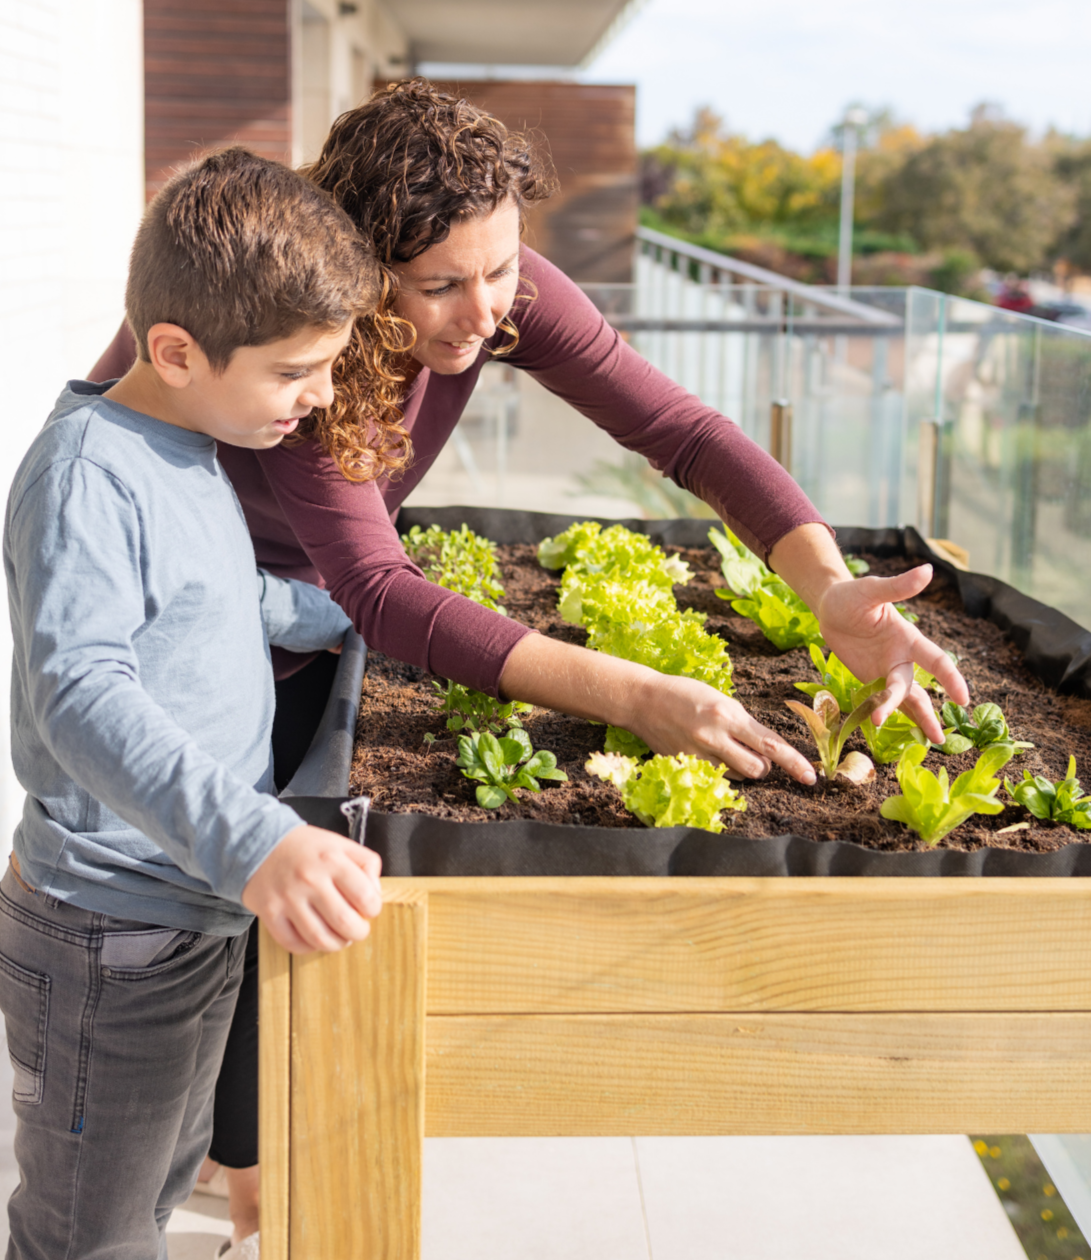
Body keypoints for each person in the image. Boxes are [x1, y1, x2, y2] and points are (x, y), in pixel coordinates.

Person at [92, 80, 969, 1230]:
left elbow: (682, 431)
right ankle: (221, 1162)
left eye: (503, 268)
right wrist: (635, 694)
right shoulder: (312, 335)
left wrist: (828, 588)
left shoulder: (495, 293)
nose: (483, 311)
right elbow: (383, 593)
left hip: (293, 601)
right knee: (206, 871)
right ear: (359, 272)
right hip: (186, 598)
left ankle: (239, 1154)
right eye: (443, 284)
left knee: (279, 867)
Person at [2, 149, 384, 1260]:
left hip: (193, 908)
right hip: (105, 937)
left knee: (159, 1184)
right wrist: (257, 840)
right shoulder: (88, 472)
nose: (317, 398)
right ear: (173, 350)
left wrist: (346, 615)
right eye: (295, 372)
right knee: (90, 1231)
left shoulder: (191, 439)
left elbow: (220, 596)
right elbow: (81, 689)